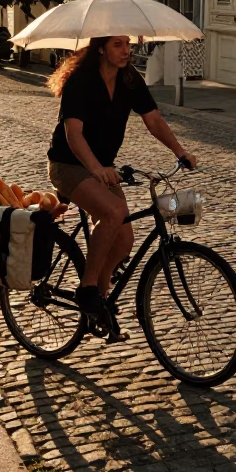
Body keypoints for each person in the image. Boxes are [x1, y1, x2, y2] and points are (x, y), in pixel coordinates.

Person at [47, 35, 197, 333]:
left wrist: (180, 152)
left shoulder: (130, 79)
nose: (127, 50)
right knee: (114, 213)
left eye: (128, 43)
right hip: (69, 165)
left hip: (102, 168)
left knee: (125, 240)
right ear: (101, 48)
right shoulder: (82, 81)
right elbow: (73, 134)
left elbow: (153, 120)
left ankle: (99, 300)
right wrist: (97, 169)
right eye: (118, 44)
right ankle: (87, 289)